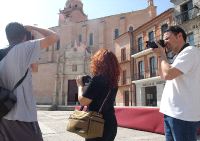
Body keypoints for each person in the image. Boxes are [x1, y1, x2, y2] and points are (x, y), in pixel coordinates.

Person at [0, 22, 58, 141]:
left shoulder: (2, 53)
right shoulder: (24, 48)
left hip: (3, 114)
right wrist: (32, 27)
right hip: (22, 116)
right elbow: (54, 37)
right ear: (24, 36)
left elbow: (34, 68)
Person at [152, 25, 200, 141]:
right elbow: (163, 75)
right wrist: (160, 56)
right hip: (172, 114)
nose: (165, 42)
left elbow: (168, 74)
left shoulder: (190, 51)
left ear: (179, 36)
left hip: (183, 116)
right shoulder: (178, 56)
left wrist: (162, 55)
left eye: (167, 38)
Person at [76, 48, 120, 141]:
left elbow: (83, 101)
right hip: (111, 124)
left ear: (98, 62)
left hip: (96, 124)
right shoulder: (114, 81)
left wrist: (80, 86)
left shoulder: (98, 79)